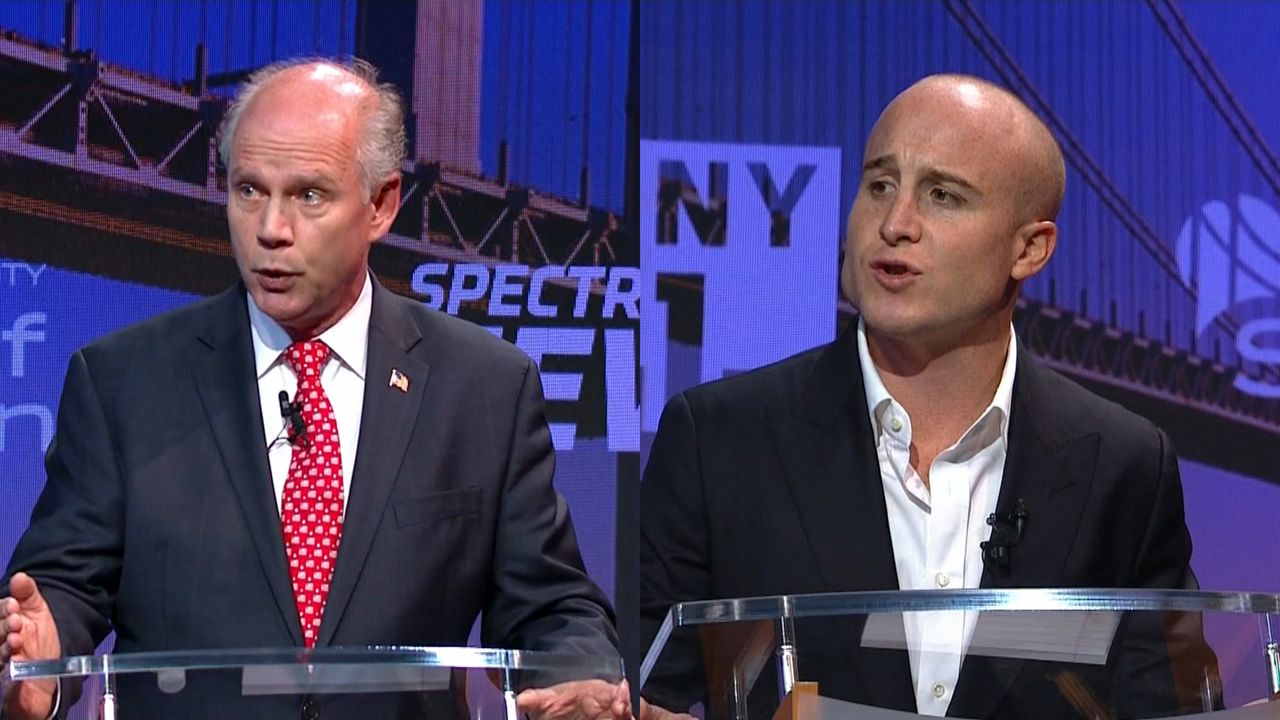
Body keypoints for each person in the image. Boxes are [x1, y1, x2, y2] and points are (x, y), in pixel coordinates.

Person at [2, 58, 625, 719]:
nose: (270, 229)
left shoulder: (484, 388)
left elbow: (553, 607)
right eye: (248, 190)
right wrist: (40, 657)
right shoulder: (123, 382)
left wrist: (576, 675)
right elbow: (63, 590)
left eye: (308, 196)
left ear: (382, 205)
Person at [639, 74, 1213, 718]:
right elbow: (651, 694)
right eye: (880, 185)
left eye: (943, 195)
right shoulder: (719, 441)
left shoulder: (1124, 465)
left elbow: (1169, 707)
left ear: (1030, 248)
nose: (895, 223)